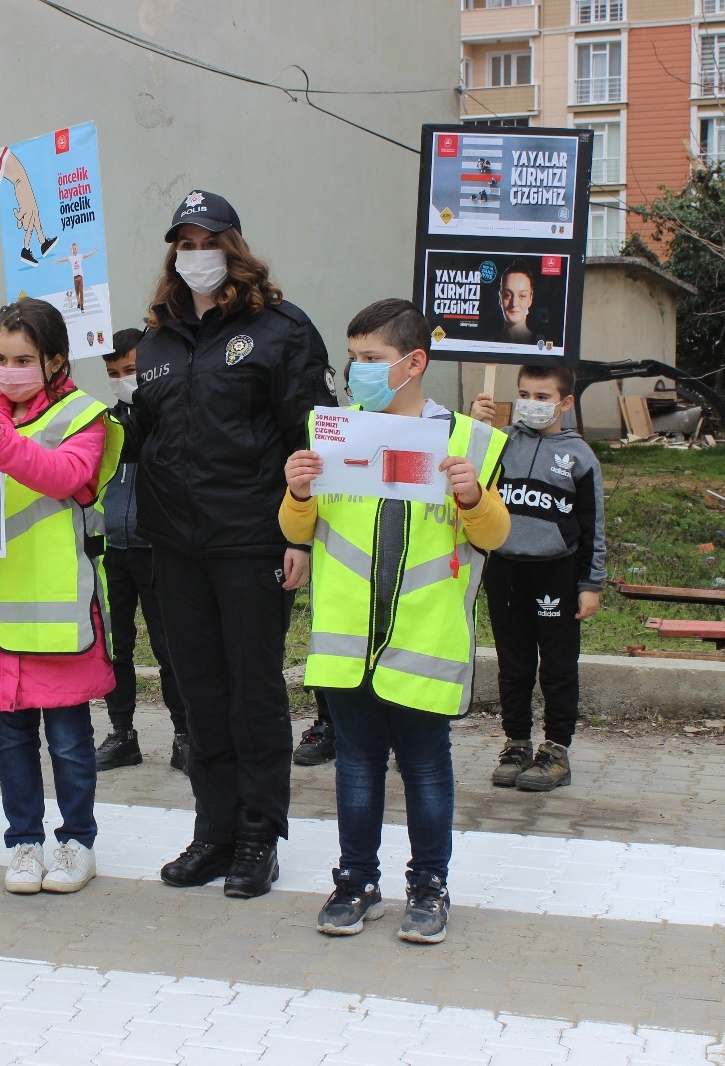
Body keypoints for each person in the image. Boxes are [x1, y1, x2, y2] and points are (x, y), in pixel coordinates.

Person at [124, 189, 335, 899]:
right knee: (197, 694)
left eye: (207, 240)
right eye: (183, 243)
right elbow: (143, 439)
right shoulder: (154, 339)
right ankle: (212, 832)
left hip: (251, 540)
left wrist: (301, 533)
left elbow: (310, 435)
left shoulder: (281, 330)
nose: (196, 255)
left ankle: (257, 836)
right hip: (173, 545)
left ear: (234, 247)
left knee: (253, 695)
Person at [282, 298, 508, 944]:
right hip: (349, 644)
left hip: (422, 641)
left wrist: (472, 496)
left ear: (415, 363)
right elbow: (298, 526)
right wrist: (298, 493)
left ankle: (429, 886)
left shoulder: (466, 440)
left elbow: (493, 535)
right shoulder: (335, 432)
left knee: (426, 768)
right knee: (355, 766)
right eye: (353, 359)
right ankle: (356, 881)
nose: (359, 373)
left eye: (373, 360)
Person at [0, 298, 120, 895]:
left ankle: (77, 844)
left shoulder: (86, 416)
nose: (8, 370)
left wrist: (2, 439)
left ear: (55, 360)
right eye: (1, 358)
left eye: (23, 360)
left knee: (68, 739)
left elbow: (66, 477)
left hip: (56, 611)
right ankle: (23, 843)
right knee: (10, 741)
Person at [471, 364, 605, 792]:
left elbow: (592, 526)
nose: (532, 403)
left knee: (558, 667)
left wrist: (590, 584)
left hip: (557, 573)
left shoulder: (580, 457)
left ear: (565, 403)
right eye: (525, 393)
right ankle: (517, 744)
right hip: (505, 570)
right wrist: (476, 428)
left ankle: (556, 751)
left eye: (543, 397)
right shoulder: (501, 442)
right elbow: (464, 473)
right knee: (514, 665)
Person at [97, 327, 188, 772]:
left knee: (171, 648)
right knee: (116, 648)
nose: (122, 379)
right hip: (113, 548)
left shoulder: (172, 415)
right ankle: (121, 734)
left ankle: (186, 736)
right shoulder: (104, 422)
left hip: (160, 549)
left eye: (131, 370)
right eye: (114, 372)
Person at [493, 263, 539, 345]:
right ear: (500, 298)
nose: (514, 303)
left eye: (522, 296)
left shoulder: (540, 344)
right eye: (507, 295)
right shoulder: (488, 343)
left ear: (530, 299)